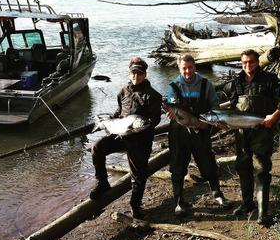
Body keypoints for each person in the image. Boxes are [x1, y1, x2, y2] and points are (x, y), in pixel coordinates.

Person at [89, 57, 162, 219]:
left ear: (145, 74)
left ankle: (135, 207)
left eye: (139, 73)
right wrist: (107, 122)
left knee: (138, 176)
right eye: (133, 72)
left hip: (140, 141)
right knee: (97, 148)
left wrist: (138, 128)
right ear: (130, 73)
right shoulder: (123, 91)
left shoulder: (154, 96)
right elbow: (119, 113)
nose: (136, 75)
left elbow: (154, 121)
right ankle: (102, 183)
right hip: (121, 134)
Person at [165, 54, 232, 216]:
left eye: (190, 67)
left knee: (208, 163)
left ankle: (218, 194)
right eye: (184, 68)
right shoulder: (173, 86)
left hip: (201, 130)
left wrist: (206, 123)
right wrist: (171, 114)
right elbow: (171, 105)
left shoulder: (205, 84)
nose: (187, 71)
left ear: (195, 67)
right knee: (178, 166)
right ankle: (179, 201)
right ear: (179, 69)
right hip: (179, 132)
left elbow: (215, 106)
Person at [223, 49, 280, 226]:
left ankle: (263, 212)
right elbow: (233, 108)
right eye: (244, 63)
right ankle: (247, 203)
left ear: (258, 62)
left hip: (263, 131)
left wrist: (275, 116)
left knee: (262, 169)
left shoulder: (271, 80)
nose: (248, 65)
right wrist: (225, 122)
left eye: (251, 62)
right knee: (242, 166)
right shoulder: (236, 82)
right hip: (242, 132)